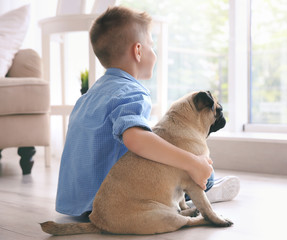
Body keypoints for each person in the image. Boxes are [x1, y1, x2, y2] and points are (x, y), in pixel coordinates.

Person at [56, 6, 239, 217]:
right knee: (206, 173)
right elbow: (137, 140)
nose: (155, 52)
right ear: (138, 51)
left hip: (75, 204)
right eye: (152, 45)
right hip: (113, 202)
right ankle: (207, 194)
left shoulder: (88, 97)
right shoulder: (132, 92)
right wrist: (192, 162)